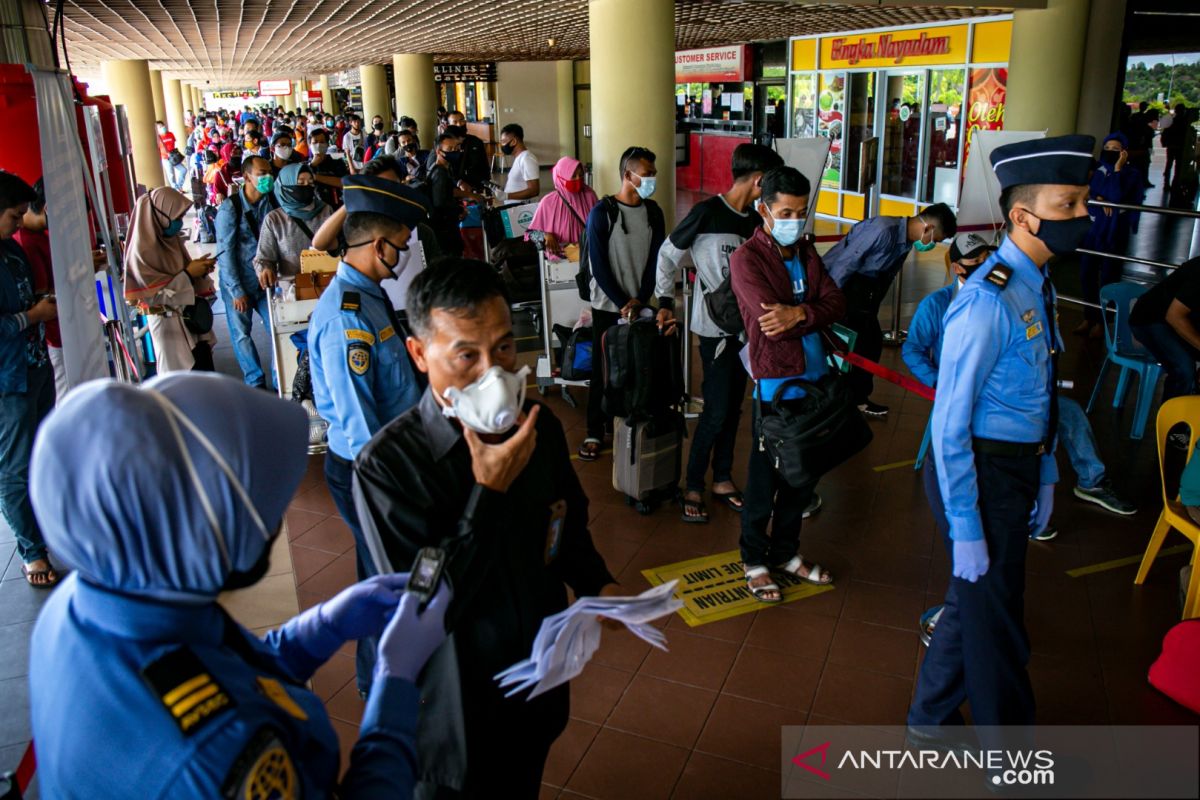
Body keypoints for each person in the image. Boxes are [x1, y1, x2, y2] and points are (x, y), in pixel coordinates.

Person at [28, 373, 451, 799]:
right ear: (195, 534)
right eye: (259, 511)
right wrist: (395, 680)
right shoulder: (223, 757)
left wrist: (323, 627)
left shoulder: (88, 600)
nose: (275, 523)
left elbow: (223, 674)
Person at [353, 259, 619, 797]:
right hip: (448, 703)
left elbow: (565, 518)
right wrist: (488, 493)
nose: (492, 374)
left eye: (502, 349)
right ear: (420, 355)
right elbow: (422, 603)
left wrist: (599, 585)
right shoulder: (387, 468)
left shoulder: (535, 429)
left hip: (532, 679)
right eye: (466, 356)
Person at [907, 134, 1095, 749]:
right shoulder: (986, 300)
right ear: (1023, 216)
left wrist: (1044, 473)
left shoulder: (1034, 283)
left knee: (975, 606)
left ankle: (929, 723)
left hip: (1013, 471)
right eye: (1068, 206)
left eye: (1082, 204)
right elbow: (951, 424)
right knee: (998, 627)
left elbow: (1036, 392)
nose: (1082, 217)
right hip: (977, 474)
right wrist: (965, 523)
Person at [905, 231, 1135, 645]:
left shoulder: (1023, 294)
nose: (982, 263)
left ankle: (1091, 480)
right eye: (972, 259)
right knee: (980, 568)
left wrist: (1046, 472)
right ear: (956, 267)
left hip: (1019, 426)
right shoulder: (953, 304)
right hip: (977, 432)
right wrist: (943, 385)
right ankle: (956, 632)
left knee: (1069, 413)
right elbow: (914, 354)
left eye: (986, 256)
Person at [308, 176, 431, 693]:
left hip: (389, 459)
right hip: (369, 470)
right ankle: (383, 681)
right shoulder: (347, 320)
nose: (403, 257)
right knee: (388, 578)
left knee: (380, 572)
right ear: (378, 246)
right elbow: (360, 430)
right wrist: (393, 487)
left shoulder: (369, 295)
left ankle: (379, 674)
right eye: (400, 247)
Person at [729, 166, 842, 602]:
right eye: (786, 212)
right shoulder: (747, 259)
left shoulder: (808, 254)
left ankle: (787, 553)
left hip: (816, 383)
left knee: (802, 477)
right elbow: (771, 323)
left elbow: (837, 302)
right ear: (764, 211)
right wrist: (805, 313)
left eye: (801, 211)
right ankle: (755, 561)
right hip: (774, 386)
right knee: (764, 481)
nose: (796, 219)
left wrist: (800, 313)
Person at [654, 143, 783, 523]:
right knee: (716, 408)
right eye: (771, 184)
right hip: (714, 330)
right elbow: (667, 255)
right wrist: (665, 300)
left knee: (734, 408)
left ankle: (722, 478)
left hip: (747, 331)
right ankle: (693, 483)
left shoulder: (754, 222)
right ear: (759, 181)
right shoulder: (706, 213)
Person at [821, 202, 956, 417]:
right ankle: (834, 402)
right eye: (936, 239)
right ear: (928, 228)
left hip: (865, 299)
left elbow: (884, 277)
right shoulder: (884, 230)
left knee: (870, 346)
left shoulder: (906, 243)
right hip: (844, 291)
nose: (933, 244)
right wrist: (827, 305)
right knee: (844, 348)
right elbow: (845, 264)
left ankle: (857, 400)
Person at [578, 146, 665, 461]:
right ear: (628, 175)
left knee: (640, 365)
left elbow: (657, 258)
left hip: (640, 304)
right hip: (607, 306)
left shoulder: (653, 212)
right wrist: (621, 301)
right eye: (648, 173)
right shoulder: (602, 212)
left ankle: (632, 421)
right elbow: (598, 265)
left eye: (653, 173)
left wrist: (641, 299)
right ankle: (593, 429)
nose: (652, 178)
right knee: (604, 371)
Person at [0, 171, 58, 587]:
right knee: (16, 467)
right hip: (9, 379)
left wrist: (41, 305)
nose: (20, 223)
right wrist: (30, 316)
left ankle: (46, 529)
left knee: (42, 454)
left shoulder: (12, 251)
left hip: (36, 365)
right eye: (14, 215)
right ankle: (31, 551)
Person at [124, 187, 217, 374]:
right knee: (181, 381)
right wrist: (189, 275)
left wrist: (198, 270)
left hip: (192, 323)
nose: (179, 223)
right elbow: (151, 296)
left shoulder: (171, 241)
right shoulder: (141, 254)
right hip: (168, 329)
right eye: (175, 217)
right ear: (159, 215)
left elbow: (180, 274)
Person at [214, 156, 279, 388]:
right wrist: (236, 291)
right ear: (247, 176)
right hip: (238, 283)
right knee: (242, 334)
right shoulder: (231, 208)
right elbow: (225, 253)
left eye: (269, 171)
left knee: (276, 329)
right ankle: (255, 381)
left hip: (266, 283)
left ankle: (279, 376)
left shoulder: (272, 202)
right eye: (262, 173)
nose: (267, 177)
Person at [1077, 132, 1144, 337]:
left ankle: (1104, 322)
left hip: (1115, 231)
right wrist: (1097, 196)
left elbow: (1116, 196)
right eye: (1108, 148)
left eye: (1116, 150)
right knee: (1087, 274)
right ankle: (1089, 317)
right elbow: (1088, 192)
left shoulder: (1131, 174)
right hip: (1093, 229)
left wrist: (1117, 170)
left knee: (1109, 277)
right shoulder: (1097, 171)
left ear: (1124, 152)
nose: (1111, 152)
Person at [12, 179, 66, 402]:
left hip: (47, 342)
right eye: (15, 216)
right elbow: (39, 297)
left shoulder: (33, 237)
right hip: (47, 338)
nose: (19, 223)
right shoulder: (24, 242)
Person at [1130, 255, 1200, 401]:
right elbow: (1174, 316)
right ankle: (1171, 422)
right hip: (1151, 319)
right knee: (1184, 370)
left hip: (1179, 321)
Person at [255, 163, 333, 289]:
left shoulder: (326, 210)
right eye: (300, 183)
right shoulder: (274, 219)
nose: (306, 186)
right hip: (293, 289)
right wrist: (265, 269)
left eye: (310, 183)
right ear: (285, 185)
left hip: (328, 284)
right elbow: (264, 257)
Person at [526, 156, 597, 260]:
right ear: (560, 177)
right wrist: (546, 235)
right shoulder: (548, 202)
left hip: (588, 257)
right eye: (573, 176)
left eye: (581, 175)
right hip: (559, 262)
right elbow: (531, 233)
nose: (578, 179)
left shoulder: (589, 196)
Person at [428, 132, 484, 258]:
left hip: (447, 226)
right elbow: (440, 203)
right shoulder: (440, 173)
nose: (455, 152)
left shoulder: (445, 169)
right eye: (450, 149)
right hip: (445, 230)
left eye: (457, 148)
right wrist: (459, 210)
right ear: (439, 151)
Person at [444, 112, 490, 191]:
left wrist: (487, 185)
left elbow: (484, 165)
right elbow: (443, 169)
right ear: (448, 125)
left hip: (476, 186)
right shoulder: (444, 144)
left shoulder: (476, 141)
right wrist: (458, 182)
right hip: (455, 189)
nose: (459, 124)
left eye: (462, 120)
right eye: (455, 122)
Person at [499, 123, 539, 201]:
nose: (502, 145)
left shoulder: (527, 159)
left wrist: (507, 196)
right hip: (514, 209)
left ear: (513, 141)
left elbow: (534, 191)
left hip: (521, 210)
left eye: (503, 141)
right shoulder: (519, 158)